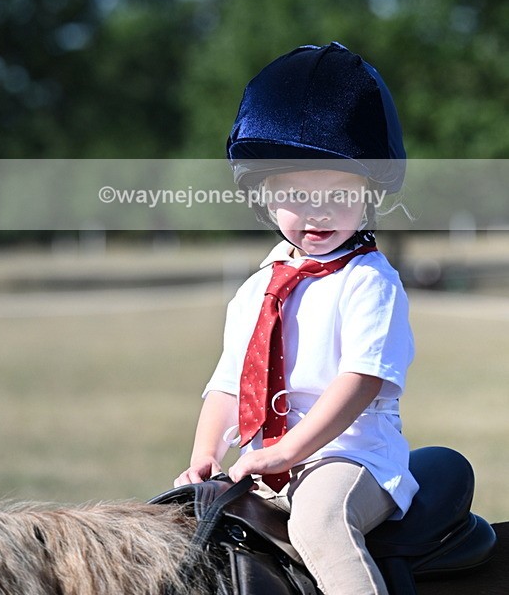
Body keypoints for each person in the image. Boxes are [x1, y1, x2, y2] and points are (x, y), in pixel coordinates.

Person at [175, 42, 418, 595]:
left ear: (369, 195)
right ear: (264, 195)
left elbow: (363, 378)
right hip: (265, 463)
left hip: (348, 455)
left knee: (320, 525)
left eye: (340, 193)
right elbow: (228, 385)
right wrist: (206, 455)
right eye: (298, 194)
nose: (319, 210)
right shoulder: (259, 287)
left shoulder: (368, 280)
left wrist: (289, 451)